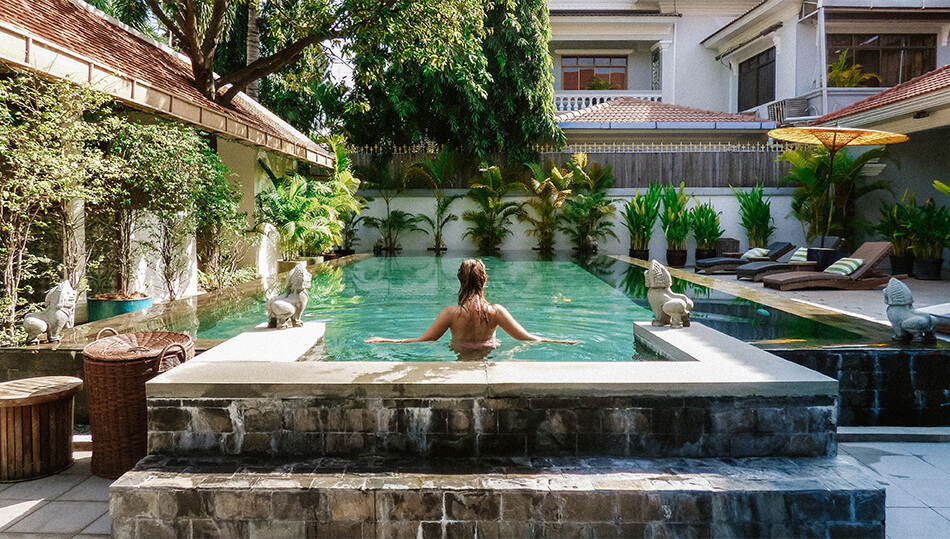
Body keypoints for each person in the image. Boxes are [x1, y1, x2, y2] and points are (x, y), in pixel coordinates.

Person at [365, 259, 578, 354]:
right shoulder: (496, 311)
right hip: (490, 354)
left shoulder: (451, 313)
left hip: (460, 355)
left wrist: (387, 340)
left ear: (460, 280)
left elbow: (425, 340)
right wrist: (559, 341)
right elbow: (526, 338)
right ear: (484, 281)